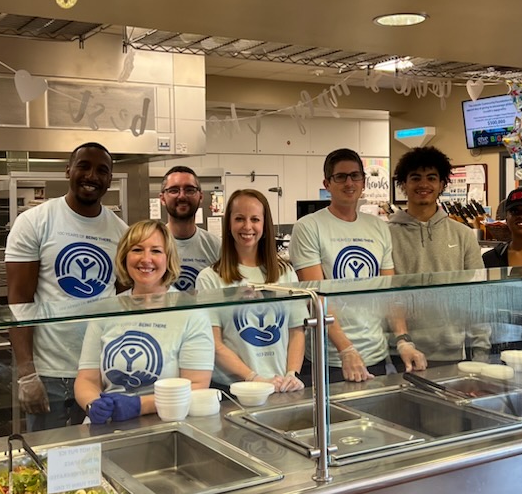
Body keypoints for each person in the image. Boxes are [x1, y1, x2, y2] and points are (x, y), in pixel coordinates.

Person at [6, 142, 129, 431]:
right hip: (51, 372)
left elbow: (126, 302)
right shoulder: (34, 222)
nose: (92, 176)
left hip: (103, 370)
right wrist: (26, 373)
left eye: (102, 170)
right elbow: (19, 301)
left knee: (101, 453)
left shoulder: (121, 232)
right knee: (48, 455)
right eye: (84, 166)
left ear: (110, 179)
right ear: (68, 171)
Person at [289, 148, 421, 382]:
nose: (349, 183)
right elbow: (316, 297)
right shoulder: (308, 227)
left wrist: (403, 340)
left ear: (363, 182)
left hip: (376, 354)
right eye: (340, 177)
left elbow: (389, 292)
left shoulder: (379, 227)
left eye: (355, 176)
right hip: (331, 358)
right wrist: (346, 349)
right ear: (327, 184)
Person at [75, 220, 214, 423]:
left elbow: (197, 386)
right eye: (137, 250)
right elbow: (86, 379)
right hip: (108, 423)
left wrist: (140, 406)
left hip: (167, 423)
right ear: (125, 256)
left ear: (168, 258)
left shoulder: (191, 313)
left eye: (156, 251)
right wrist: (93, 404)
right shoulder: (106, 309)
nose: (146, 259)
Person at [195, 189, 306, 392]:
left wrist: (291, 374)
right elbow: (214, 343)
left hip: (281, 385)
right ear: (229, 224)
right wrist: (253, 378)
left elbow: (296, 330)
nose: (247, 226)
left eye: (255, 219)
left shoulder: (286, 273)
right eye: (239, 219)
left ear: (265, 225)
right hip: (234, 389)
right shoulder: (209, 278)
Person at [388, 146, 485, 366]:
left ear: (442, 184)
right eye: (415, 178)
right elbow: (384, 297)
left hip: (451, 350)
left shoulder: (463, 235)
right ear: (403, 184)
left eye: (431, 178)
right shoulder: (386, 235)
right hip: (400, 352)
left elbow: (478, 296)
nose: (424, 184)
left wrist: (481, 351)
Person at [160, 166, 221, 291]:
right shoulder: (151, 245)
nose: (182, 196)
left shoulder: (216, 247)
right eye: (174, 190)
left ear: (201, 196)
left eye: (190, 190)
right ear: (162, 198)